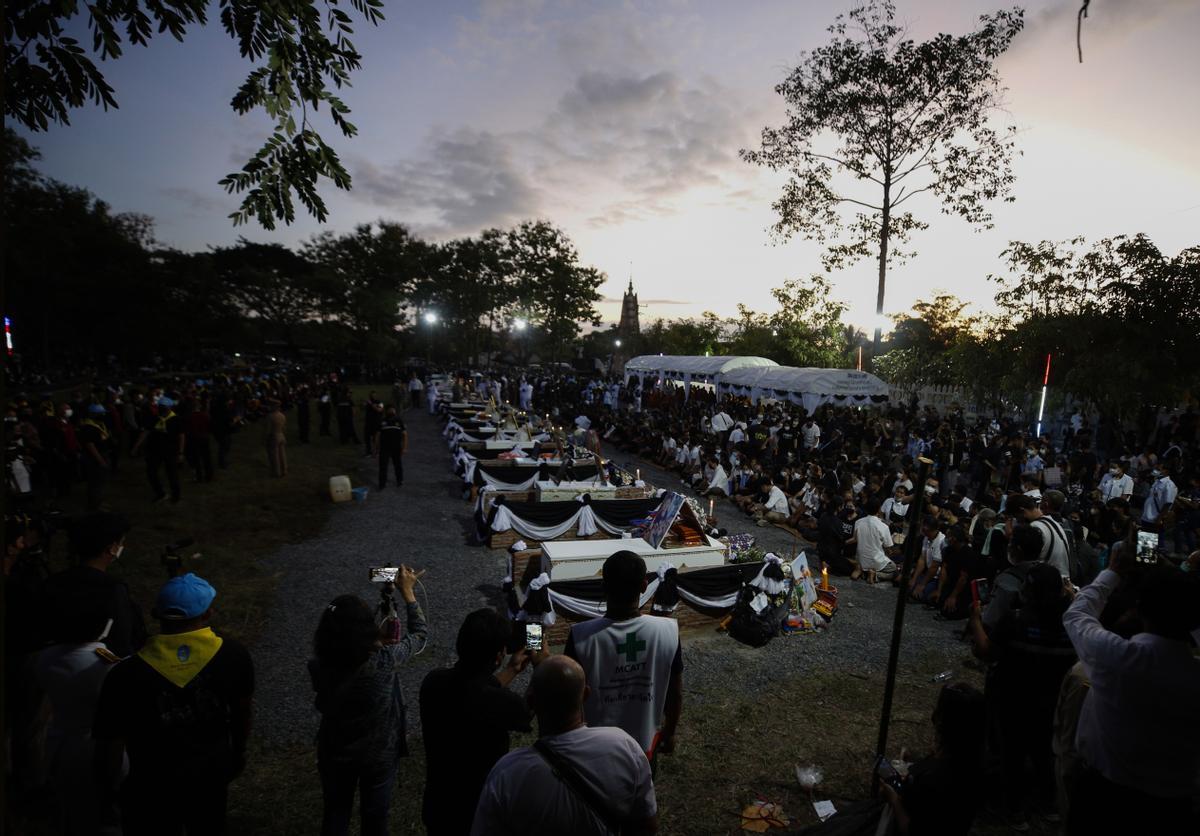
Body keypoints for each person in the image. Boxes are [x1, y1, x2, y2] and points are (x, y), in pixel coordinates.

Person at [93, 573, 254, 836]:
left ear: (157, 614)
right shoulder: (233, 655)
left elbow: (111, 741)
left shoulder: (126, 673)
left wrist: (108, 788)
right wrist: (238, 752)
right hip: (209, 774)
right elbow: (242, 711)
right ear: (208, 614)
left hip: (150, 781)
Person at [1062, 554, 1200, 835]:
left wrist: (1112, 571)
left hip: (1104, 797)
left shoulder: (1116, 657)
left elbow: (1077, 614)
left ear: (1139, 609)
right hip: (1175, 809)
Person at [470, 655, 658, 835]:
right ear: (586, 694)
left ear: (531, 702)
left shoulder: (507, 773)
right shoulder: (624, 745)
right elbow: (646, 825)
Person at [969, 527, 1076, 829]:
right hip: (1050, 700)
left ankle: (1013, 810)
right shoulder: (1070, 627)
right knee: (1044, 750)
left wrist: (975, 619)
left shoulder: (1016, 621)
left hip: (1012, 696)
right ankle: (1048, 803)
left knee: (1011, 752)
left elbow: (987, 652)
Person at [308, 566, 427, 836]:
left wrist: (386, 602)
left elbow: (349, 645)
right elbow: (420, 636)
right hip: (379, 754)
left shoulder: (318, 665)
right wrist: (408, 593)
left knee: (335, 815)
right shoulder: (384, 661)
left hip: (335, 750)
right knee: (375, 819)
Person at [420, 609, 540, 835]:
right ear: (498, 655)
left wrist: (512, 669)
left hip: (440, 807)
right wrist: (539, 668)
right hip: (481, 812)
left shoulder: (433, 682)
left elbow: (476, 688)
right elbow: (524, 712)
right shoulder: (500, 702)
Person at [564, 550, 682, 764]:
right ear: (645, 586)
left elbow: (568, 697)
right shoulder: (668, 632)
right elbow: (675, 692)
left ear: (603, 587)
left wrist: (540, 661)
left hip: (596, 748)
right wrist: (670, 731)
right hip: (644, 746)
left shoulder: (580, 636)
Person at [43, 513, 146, 658]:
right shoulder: (113, 590)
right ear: (111, 548)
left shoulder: (53, 582)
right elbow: (122, 640)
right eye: (121, 543)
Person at [131, 394, 184, 503]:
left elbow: (181, 436)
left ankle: (175, 496)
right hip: (155, 450)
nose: (162, 409)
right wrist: (136, 446)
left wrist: (180, 452)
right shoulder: (155, 418)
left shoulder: (176, 419)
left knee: (172, 474)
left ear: (170, 408)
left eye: (164, 407)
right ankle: (161, 493)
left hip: (170, 451)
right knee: (151, 472)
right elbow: (146, 431)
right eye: (160, 407)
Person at [849, 497, 897, 583]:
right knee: (894, 569)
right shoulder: (884, 526)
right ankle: (876, 575)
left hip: (861, 559)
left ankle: (864, 571)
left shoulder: (858, 522)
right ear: (879, 509)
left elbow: (855, 539)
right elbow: (888, 547)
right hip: (876, 561)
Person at [78, 403, 113, 509]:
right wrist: (100, 460)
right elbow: (90, 445)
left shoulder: (98, 424)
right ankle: (95, 504)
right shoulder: (88, 427)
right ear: (93, 414)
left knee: (101, 481)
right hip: (94, 459)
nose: (103, 415)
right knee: (95, 482)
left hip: (102, 455)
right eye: (100, 413)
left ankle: (98, 501)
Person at [375, 406, 407, 490]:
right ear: (386, 411)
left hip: (396, 447)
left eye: (393, 409)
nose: (391, 411)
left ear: (395, 411)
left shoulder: (399, 420)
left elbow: (405, 435)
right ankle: (382, 484)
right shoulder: (382, 421)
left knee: (398, 465)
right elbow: (377, 435)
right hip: (384, 447)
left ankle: (399, 481)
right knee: (383, 466)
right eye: (389, 409)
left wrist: (404, 447)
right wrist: (377, 447)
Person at [264, 398, 288, 477]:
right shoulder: (282, 415)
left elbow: (268, 430)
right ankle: (284, 470)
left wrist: (265, 438)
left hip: (273, 437)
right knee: (282, 454)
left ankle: (276, 472)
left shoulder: (270, 416)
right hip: (281, 435)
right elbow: (284, 427)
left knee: (274, 456)